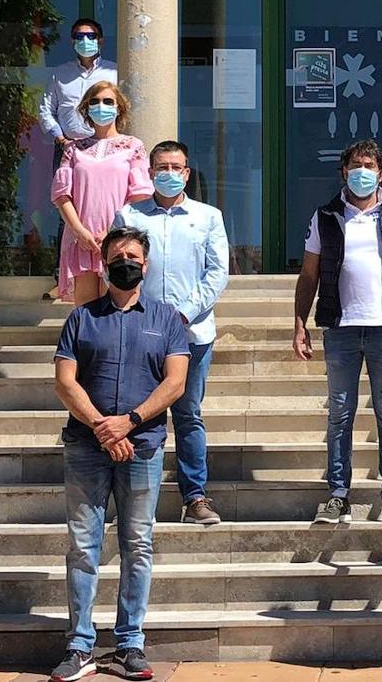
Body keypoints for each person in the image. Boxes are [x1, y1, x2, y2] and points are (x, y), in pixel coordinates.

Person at [49, 226, 190, 682]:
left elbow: (176, 382)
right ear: (104, 264)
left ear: (146, 265)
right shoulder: (82, 318)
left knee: (138, 544)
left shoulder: (168, 319)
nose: (125, 262)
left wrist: (128, 422)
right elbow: (65, 382)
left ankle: (130, 643)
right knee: (82, 546)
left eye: (133, 256)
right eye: (117, 256)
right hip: (86, 446)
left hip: (142, 447)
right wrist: (102, 428)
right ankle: (80, 646)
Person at [292, 139, 382, 524]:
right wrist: (299, 323)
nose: (362, 172)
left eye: (369, 165)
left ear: (381, 174)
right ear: (343, 172)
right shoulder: (326, 216)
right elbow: (309, 275)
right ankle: (338, 494)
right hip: (340, 328)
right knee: (340, 412)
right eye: (355, 165)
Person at [114, 140, 230, 525]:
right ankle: (131, 500)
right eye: (161, 167)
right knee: (136, 413)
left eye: (175, 167)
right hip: (139, 331)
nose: (169, 173)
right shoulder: (129, 215)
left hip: (192, 332)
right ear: (150, 173)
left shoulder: (208, 217)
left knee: (188, 414)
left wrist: (184, 312)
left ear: (187, 172)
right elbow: (118, 268)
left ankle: (195, 498)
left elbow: (217, 272)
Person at [51, 81, 153, 306]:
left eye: (108, 101)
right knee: (85, 311)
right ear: (86, 108)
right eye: (95, 101)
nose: (101, 106)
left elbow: (140, 194)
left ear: (118, 107)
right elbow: (61, 195)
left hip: (119, 238)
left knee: (117, 308)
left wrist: (111, 232)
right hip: (81, 239)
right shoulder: (73, 149)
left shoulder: (133, 146)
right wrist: (80, 231)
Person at [38, 18, 118, 301]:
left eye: (91, 35)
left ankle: (109, 270)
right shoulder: (60, 74)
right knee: (67, 212)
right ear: (72, 40)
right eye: (79, 36)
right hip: (71, 148)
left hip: (106, 149)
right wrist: (60, 137)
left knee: (106, 208)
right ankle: (62, 280)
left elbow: (122, 106)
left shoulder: (114, 72)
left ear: (101, 40)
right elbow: (45, 110)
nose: (86, 41)